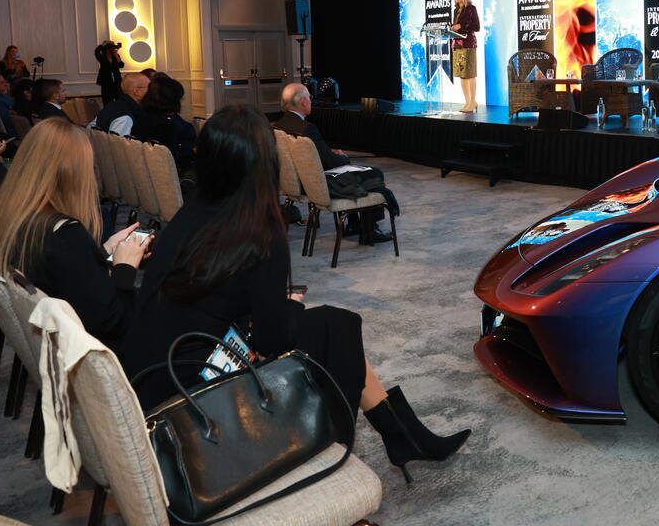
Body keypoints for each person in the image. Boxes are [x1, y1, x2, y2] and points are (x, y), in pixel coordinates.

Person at [121, 105, 469, 481]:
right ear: (265, 163)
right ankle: (363, 441)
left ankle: (401, 434)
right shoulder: (258, 229)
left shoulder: (191, 212)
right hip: (200, 389)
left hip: (158, 375)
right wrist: (288, 305)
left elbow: (215, 299)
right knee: (336, 328)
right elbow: (274, 340)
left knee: (335, 323)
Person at [0, 119, 150, 347]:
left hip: (53, 341)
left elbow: (66, 273)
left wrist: (103, 252)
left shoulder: (9, 215)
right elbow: (113, 323)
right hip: (106, 352)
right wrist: (125, 268)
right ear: (73, 173)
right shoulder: (65, 234)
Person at [275, 83, 394, 243]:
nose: (311, 101)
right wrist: (343, 157)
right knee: (373, 173)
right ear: (303, 102)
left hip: (296, 184)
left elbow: (311, 156)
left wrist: (330, 153)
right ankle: (369, 230)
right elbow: (329, 162)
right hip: (316, 186)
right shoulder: (307, 128)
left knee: (352, 174)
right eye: (309, 97)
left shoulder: (278, 126)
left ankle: (354, 225)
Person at [132, 75, 196, 172]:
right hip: (179, 172)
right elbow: (172, 158)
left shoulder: (143, 117)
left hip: (147, 171)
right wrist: (194, 151)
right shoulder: (167, 124)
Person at [450, 0, 481, 113]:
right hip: (457, 45)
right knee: (462, 76)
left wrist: (461, 26)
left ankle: (473, 101)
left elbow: (477, 27)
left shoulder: (471, 8)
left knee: (469, 74)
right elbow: (457, 27)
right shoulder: (456, 10)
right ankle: (467, 102)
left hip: (468, 45)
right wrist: (453, 28)